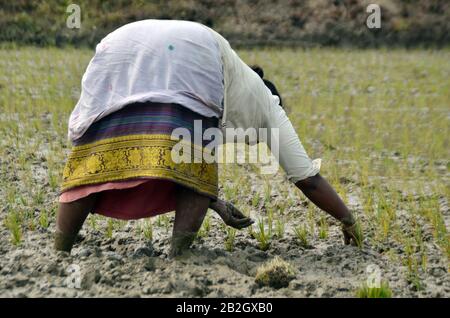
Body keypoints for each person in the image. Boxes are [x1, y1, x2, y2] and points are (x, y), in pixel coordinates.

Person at [55, 19, 362, 257]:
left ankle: (60, 252)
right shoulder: (269, 105)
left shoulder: (237, 81)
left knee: (97, 153)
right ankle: (179, 255)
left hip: (120, 43)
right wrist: (348, 220)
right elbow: (307, 178)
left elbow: (170, 153)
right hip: (194, 50)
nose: (251, 144)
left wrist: (216, 203)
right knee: (198, 163)